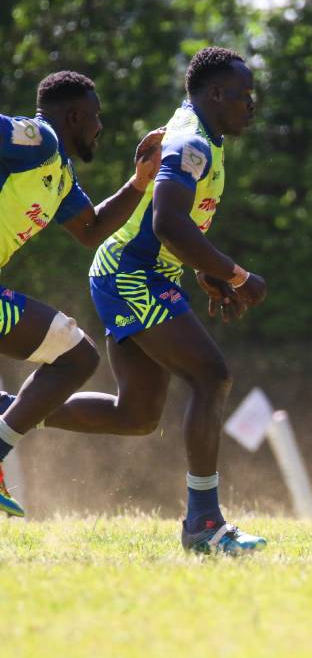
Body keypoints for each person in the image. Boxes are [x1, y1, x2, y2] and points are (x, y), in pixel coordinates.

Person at [36, 47, 267, 555]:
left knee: (136, 415)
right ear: (215, 94)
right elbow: (167, 222)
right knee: (212, 375)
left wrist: (202, 271)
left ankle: (10, 410)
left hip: (141, 270)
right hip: (130, 273)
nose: (252, 104)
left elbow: (168, 227)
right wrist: (233, 272)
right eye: (244, 95)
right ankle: (204, 525)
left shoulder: (202, 136)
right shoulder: (191, 143)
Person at [0, 71, 163, 517]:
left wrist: (140, 182)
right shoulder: (39, 139)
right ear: (73, 115)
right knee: (77, 359)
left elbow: (90, 230)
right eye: (95, 117)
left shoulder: (61, 175)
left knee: (77, 359)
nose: (100, 127)